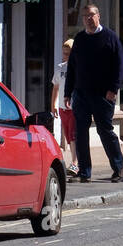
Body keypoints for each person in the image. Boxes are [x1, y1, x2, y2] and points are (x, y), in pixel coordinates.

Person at [64, 4, 123, 183]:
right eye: (85, 16)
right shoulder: (80, 39)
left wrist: (113, 89)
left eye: (91, 15)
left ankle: (117, 167)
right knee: (81, 133)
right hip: (81, 94)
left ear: (98, 16)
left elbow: (119, 66)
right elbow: (73, 68)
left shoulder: (110, 38)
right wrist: (68, 92)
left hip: (103, 95)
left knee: (105, 130)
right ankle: (85, 171)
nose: (88, 19)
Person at [50, 38, 78, 178]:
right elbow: (55, 87)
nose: (65, 56)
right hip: (62, 107)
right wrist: (53, 105)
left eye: (68, 53)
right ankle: (73, 161)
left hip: (74, 107)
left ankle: (75, 163)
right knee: (68, 135)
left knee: (73, 135)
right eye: (64, 53)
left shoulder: (78, 68)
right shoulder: (60, 67)